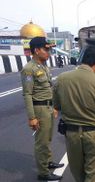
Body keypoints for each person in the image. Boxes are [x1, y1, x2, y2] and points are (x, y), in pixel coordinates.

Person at [53, 46, 95, 182]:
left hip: (72, 134)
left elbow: (57, 105)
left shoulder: (61, 79)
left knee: (78, 173)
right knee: (94, 175)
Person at [20, 36, 64, 181]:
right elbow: (27, 94)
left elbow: (49, 87)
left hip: (48, 107)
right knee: (42, 142)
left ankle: (48, 162)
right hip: (39, 109)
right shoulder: (29, 69)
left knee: (48, 138)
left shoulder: (44, 66)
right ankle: (43, 173)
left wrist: (54, 106)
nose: (49, 52)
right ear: (37, 50)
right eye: (46, 49)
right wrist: (32, 117)